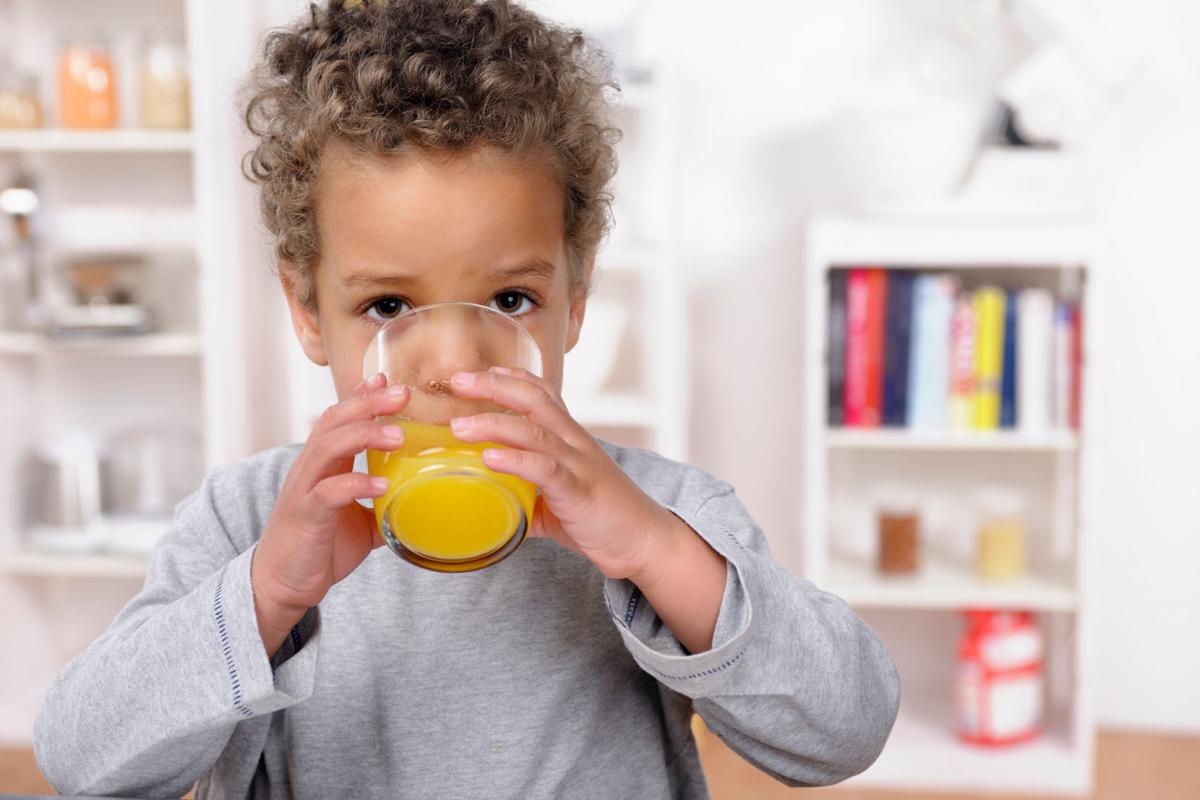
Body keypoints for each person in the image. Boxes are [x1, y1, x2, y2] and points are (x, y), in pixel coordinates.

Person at [34, 1, 899, 797]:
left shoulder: (660, 515)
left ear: (576, 300)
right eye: (387, 307)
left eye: (510, 301)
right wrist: (265, 595)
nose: (450, 363)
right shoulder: (249, 522)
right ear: (307, 312)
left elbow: (845, 730)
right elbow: (82, 760)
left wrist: (653, 552)